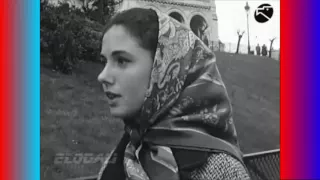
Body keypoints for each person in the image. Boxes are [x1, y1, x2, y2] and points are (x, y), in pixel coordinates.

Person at [97, 7, 251, 180]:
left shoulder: (221, 170)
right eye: (104, 61)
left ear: (162, 66)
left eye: (122, 61)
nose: (102, 76)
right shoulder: (124, 154)